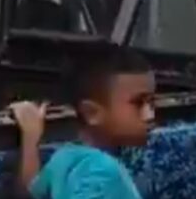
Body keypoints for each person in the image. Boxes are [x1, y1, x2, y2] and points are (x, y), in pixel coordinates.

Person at [11, 46, 155, 198]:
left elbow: (31, 191)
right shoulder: (103, 171)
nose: (150, 115)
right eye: (138, 103)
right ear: (92, 113)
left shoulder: (65, 157)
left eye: (151, 103)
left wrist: (30, 137)